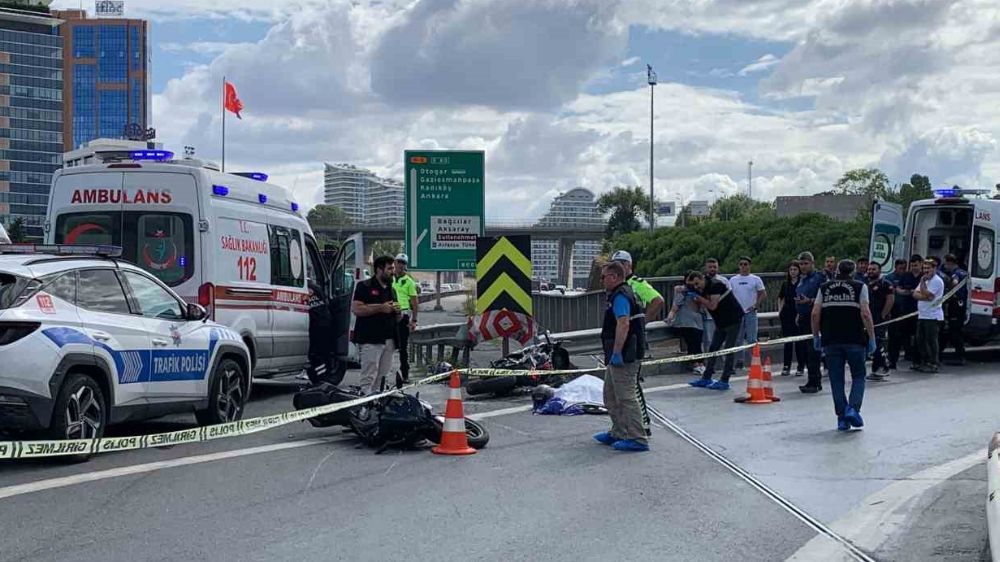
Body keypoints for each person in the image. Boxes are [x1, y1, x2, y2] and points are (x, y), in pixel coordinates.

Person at [812, 260, 876, 431]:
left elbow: (815, 313)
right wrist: (872, 337)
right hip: (855, 338)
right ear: (854, 272)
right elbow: (866, 313)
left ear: (837, 271)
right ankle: (853, 409)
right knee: (858, 376)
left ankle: (841, 417)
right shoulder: (860, 287)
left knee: (836, 379)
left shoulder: (824, 288)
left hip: (831, 339)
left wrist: (816, 335)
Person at [593, 262, 649, 452]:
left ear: (615, 277)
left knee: (625, 396)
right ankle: (619, 431)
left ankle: (637, 437)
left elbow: (623, 324)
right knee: (610, 395)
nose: (602, 280)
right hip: (622, 352)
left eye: (604, 277)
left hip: (626, 353)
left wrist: (617, 352)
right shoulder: (624, 293)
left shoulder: (621, 296)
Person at [687, 270, 744, 390]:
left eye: (697, 284)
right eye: (694, 285)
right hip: (720, 321)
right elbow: (696, 309)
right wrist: (690, 296)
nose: (696, 287)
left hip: (733, 318)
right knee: (713, 348)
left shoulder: (715, 285)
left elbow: (713, 305)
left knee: (728, 349)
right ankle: (706, 377)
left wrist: (698, 297)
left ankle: (725, 379)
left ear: (701, 278)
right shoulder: (700, 290)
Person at [351, 255, 400, 394]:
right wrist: (380, 308)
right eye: (390, 268)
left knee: (383, 376)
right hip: (370, 338)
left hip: (389, 339)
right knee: (369, 375)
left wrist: (398, 312)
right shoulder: (364, 286)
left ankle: (378, 403)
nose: (393, 271)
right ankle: (365, 405)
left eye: (393, 268)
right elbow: (357, 309)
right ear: (379, 269)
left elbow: (397, 317)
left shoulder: (392, 290)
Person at [794, 251, 826, 393]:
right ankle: (811, 380)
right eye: (801, 264)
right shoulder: (802, 279)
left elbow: (825, 297)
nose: (803, 266)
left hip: (815, 317)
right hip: (803, 316)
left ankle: (815, 381)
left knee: (813, 350)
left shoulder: (819, 278)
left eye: (806, 263)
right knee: (805, 351)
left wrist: (810, 301)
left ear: (812, 263)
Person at [610, 251, 665, 324]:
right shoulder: (615, 284)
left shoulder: (637, 283)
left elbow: (658, 300)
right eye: (614, 265)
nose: (616, 268)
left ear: (629, 265)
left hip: (631, 327)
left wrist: (643, 322)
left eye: (620, 264)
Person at [305, 277, 342, 385]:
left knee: (316, 355)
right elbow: (327, 302)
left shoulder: (305, 290)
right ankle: (323, 377)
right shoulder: (317, 289)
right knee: (323, 354)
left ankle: (321, 379)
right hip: (326, 323)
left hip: (316, 325)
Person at [731, 256, 766, 369]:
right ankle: (739, 361)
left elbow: (762, 293)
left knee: (752, 338)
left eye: (745, 264)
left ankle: (755, 361)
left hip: (750, 312)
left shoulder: (755, 279)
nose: (743, 266)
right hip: (737, 313)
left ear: (749, 266)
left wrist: (756, 305)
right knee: (738, 338)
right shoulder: (733, 280)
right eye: (741, 264)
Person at [885, 257, 918, 369]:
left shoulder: (910, 276)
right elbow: (896, 291)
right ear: (896, 267)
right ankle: (892, 360)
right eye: (900, 268)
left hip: (911, 310)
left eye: (904, 268)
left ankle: (912, 357)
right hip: (896, 310)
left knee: (910, 336)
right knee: (894, 336)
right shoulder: (889, 278)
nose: (902, 271)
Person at [668, 276, 705, 375]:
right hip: (686, 322)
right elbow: (676, 306)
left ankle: (700, 363)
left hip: (698, 322)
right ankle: (696, 364)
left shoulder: (700, 292)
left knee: (697, 343)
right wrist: (670, 316)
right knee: (692, 343)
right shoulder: (682, 292)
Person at [913, 258, 944, 373]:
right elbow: (915, 294)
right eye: (924, 268)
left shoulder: (937, 281)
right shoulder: (925, 280)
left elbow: (929, 295)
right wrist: (923, 292)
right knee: (920, 339)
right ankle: (924, 361)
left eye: (928, 268)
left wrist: (922, 287)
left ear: (934, 269)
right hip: (922, 314)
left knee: (931, 340)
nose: (926, 271)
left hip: (932, 316)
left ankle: (933, 362)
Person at [392, 253, 419, 383]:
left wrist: (414, 320)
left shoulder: (409, 282)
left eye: (403, 263)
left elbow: (414, 303)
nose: (400, 265)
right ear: (395, 263)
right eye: (399, 262)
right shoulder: (388, 278)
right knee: (384, 345)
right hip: (389, 314)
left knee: (403, 348)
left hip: (403, 315)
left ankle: (405, 374)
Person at [864, 262, 894, 381]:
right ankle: (875, 369)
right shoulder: (866, 284)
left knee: (878, 342)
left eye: (873, 269)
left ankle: (882, 367)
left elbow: (890, 300)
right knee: (871, 342)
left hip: (879, 318)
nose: (871, 271)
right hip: (868, 317)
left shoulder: (885, 284)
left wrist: (883, 315)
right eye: (869, 269)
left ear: (879, 270)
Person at [777, 261, 806, 376]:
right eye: (791, 270)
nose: (793, 272)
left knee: (799, 342)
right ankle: (786, 365)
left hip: (798, 313)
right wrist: (780, 310)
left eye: (795, 269)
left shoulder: (802, 283)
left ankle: (800, 366)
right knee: (787, 341)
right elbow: (780, 297)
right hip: (787, 314)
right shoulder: (785, 284)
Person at [939, 254, 967, 366]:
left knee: (954, 331)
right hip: (961, 305)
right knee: (954, 331)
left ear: (950, 263)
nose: (945, 266)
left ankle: (960, 356)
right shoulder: (964, 272)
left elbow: (954, 283)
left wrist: (947, 288)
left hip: (956, 305)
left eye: (946, 264)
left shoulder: (956, 273)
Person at [701, 257, 729, 352]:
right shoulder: (702, 280)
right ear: (706, 268)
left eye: (715, 267)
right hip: (707, 315)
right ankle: (709, 362)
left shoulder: (723, 281)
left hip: (721, 315)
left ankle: (721, 362)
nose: (712, 269)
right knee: (708, 340)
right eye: (710, 267)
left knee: (722, 340)